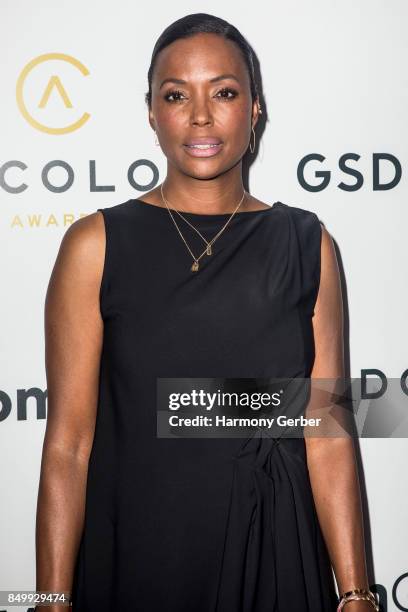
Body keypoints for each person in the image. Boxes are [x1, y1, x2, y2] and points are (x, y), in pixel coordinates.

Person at [35, 12, 378, 612]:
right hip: (142, 552)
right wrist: (51, 599)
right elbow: (69, 442)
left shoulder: (306, 242)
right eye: (176, 95)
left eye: (223, 92)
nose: (200, 115)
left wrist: (354, 594)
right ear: (150, 112)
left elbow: (327, 435)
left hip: (275, 552)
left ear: (255, 108)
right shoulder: (96, 245)